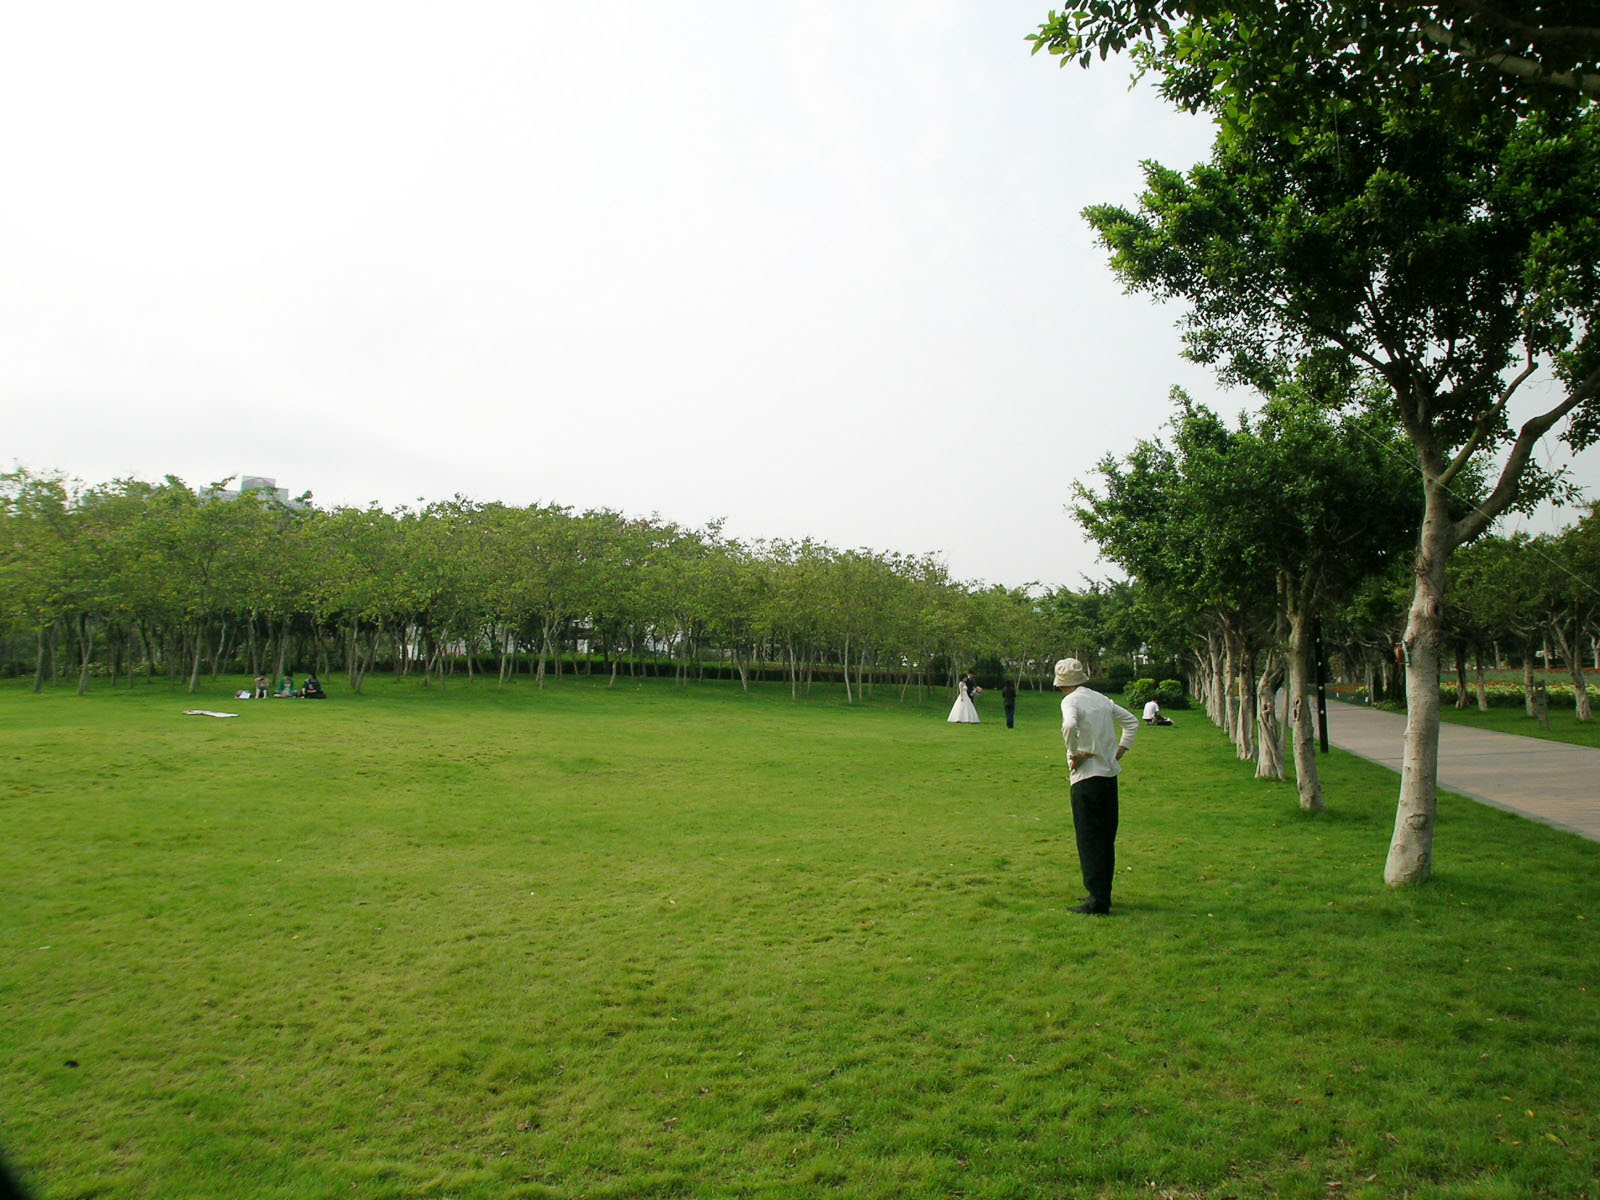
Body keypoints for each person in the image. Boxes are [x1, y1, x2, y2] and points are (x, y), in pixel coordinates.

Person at [1056, 657, 1139, 915]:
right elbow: (1132, 722)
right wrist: (1120, 750)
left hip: (1086, 778)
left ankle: (1097, 899)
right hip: (1108, 777)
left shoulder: (1071, 701)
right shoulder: (1102, 699)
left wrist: (1074, 752)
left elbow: (1069, 724)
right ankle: (1103, 893)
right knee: (1105, 838)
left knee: (1089, 838)